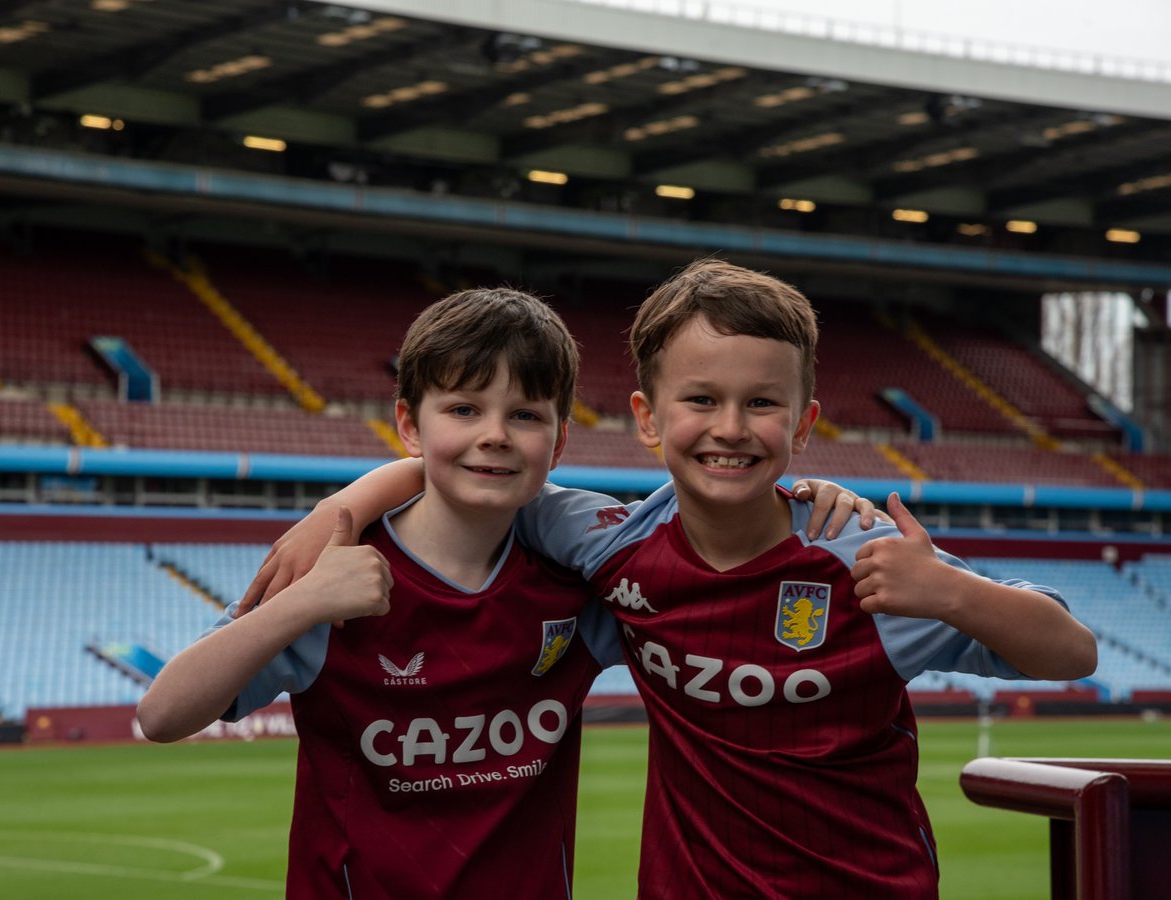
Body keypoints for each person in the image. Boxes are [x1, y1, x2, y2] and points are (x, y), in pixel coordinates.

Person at [242, 259, 1097, 899]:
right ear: (648, 420)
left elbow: (1072, 650)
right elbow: (473, 474)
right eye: (700, 401)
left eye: (761, 404)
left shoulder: (860, 555)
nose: (730, 428)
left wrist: (952, 591)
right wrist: (342, 507)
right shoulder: (605, 541)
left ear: (803, 425)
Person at [137, 284, 872, 899]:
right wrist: (307, 594)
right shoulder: (339, 575)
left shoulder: (580, 586)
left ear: (557, 445)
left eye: (524, 415)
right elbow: (164, 714)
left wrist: (797, 501)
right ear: (409, 424)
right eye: (463, 410)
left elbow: (707, 543)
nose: (494, 435)